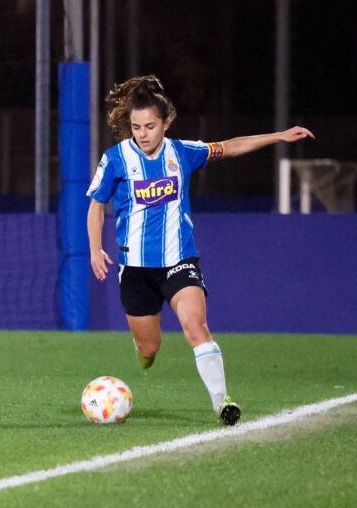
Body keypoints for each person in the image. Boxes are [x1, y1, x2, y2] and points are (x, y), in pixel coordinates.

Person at [86, 75, 315, 425]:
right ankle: (143, 351)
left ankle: (222, 403)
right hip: (135, 269)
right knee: (149, 349)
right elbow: (96, 205)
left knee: (196, 326)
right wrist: (94, 249)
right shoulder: (116, 159)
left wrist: (278, 136)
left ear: (166, 123)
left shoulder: (183, 153)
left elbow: (230, 146)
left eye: (150, 126)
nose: (143, 134)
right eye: (136, 127)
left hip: (179, 260)